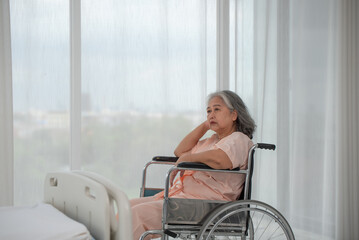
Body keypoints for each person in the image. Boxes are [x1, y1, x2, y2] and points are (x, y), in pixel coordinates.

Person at [130, 90, 256, 240]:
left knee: (135, 214)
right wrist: (204, 126)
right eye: (208, 111)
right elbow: (179, 151)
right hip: (183, 198)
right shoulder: (211, 141)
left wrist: (189, 157)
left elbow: (220, 159)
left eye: (217, 109)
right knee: (126, 205)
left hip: (206, 205)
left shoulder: (239, 139)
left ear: (234, 115)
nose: (211, 114)